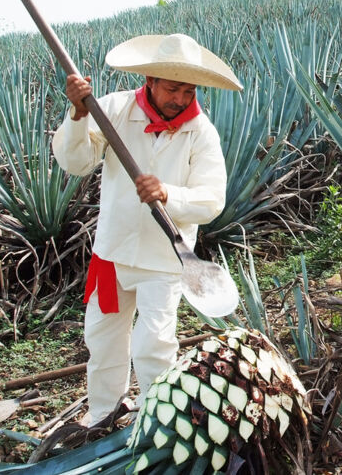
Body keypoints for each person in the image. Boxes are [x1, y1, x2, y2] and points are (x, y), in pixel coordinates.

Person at [52, 33, 241, 426]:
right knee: (103, 341)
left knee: (153, 343)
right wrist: (77, 114)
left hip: (166, 259)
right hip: (112, 253)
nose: (181, 99)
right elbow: (76, 161)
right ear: (151, 81)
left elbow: (211, 200)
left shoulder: (201, 132)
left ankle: (158, 421)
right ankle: (103, 415)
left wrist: (167, 193)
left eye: (189, 91)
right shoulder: (114, 110)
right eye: (172, 88)